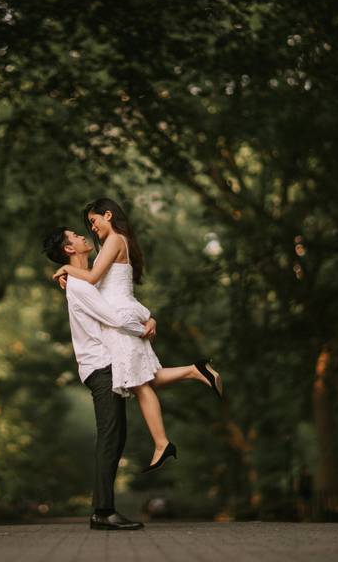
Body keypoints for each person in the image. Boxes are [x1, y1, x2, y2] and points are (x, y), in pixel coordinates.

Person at [51, 199, 223, 472]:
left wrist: (67, 269)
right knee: (144, 377)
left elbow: (94, 278)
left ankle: (162, 442)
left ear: (108, 215)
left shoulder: (114, 240)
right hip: (124, 314)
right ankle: (195, 371)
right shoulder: (116, 242)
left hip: (119, 321)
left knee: (138, 382)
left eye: (94, 222)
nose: (92, 229)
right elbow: (106, 287)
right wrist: (146, 316)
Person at [42, 227, 154, 530]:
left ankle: (103, 510)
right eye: (75, 236)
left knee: (116, 437)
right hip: (100, 367)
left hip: (105, 366)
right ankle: (103, 512)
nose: (82, 236)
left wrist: (146, 316)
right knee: (110, 437)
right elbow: (115, 318)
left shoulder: (81, 280)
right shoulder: (80, 286)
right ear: (69, 249)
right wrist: (143, 328)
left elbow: (118, 302)